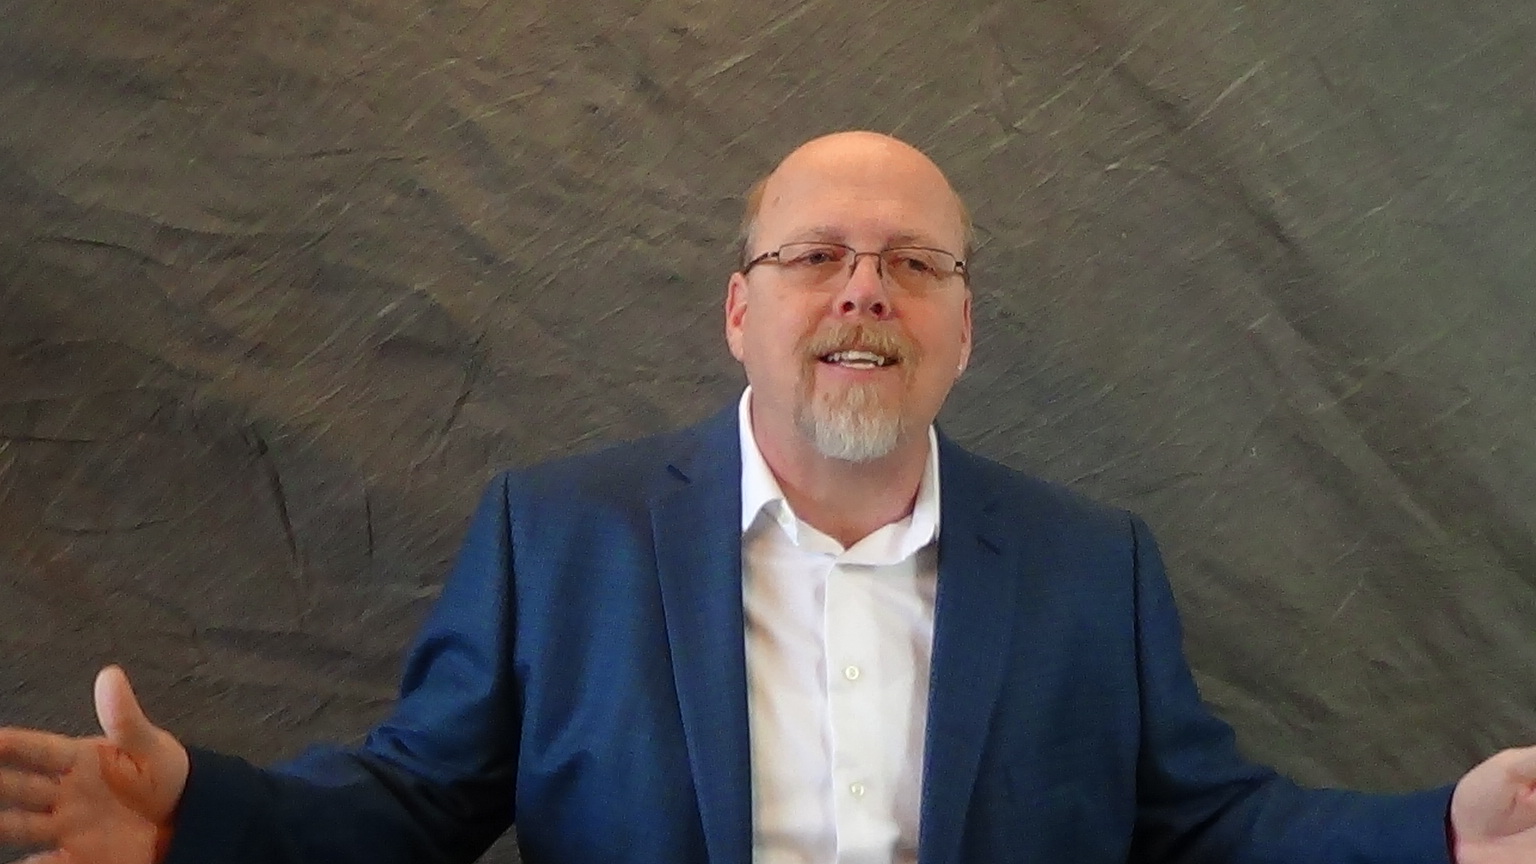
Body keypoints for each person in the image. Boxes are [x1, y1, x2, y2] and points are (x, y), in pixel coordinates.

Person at [0, 131, 1533, 864]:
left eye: (914, 262)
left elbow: (1212, 826)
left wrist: (1445, 840)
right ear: (741, 311)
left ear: (964, 329)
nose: (865, 288)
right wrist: (195, 817)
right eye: (816, 257)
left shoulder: (1092, 566)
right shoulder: (560, 538)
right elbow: (407, 806)